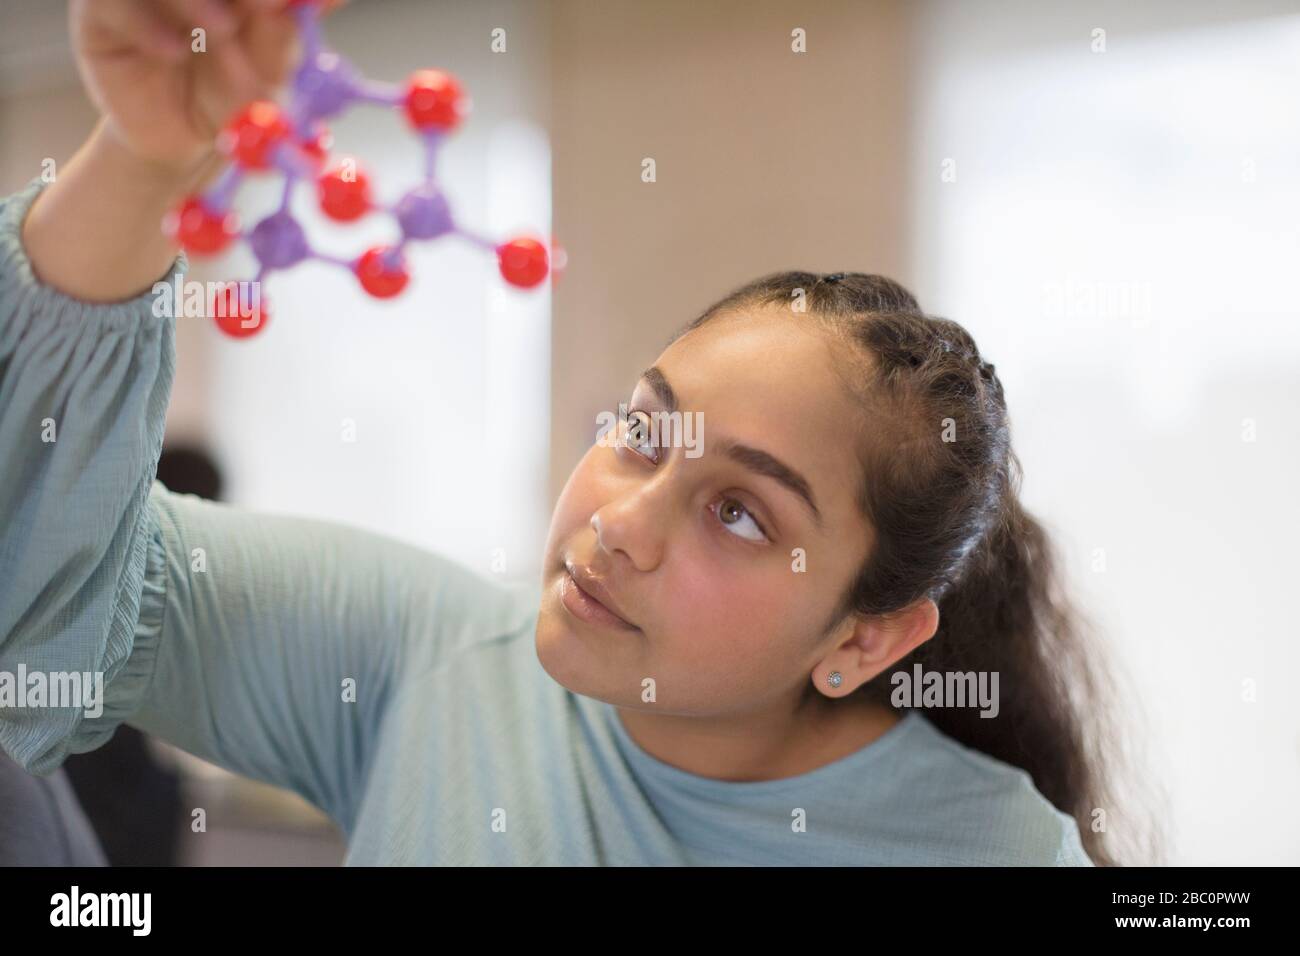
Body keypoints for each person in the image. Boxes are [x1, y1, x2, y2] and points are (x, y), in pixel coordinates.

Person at [1, 0, 1141, 865]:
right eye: (642, 433)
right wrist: (143, 158)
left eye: (739, 511)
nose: (618, 521)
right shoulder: (426, 661)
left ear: (864, 641)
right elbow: (46, 580)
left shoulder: (996, 850)